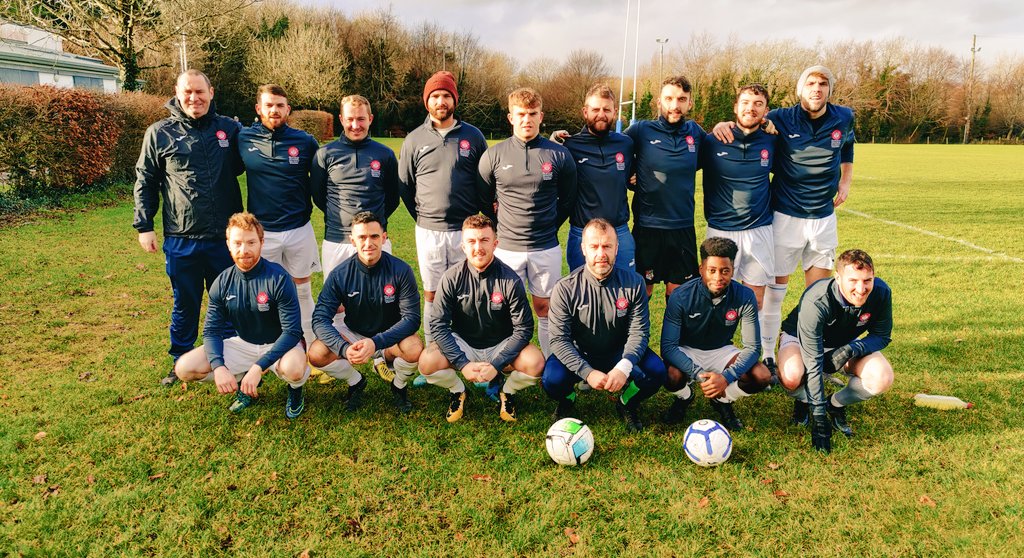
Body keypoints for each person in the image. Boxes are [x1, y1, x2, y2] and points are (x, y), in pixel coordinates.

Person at [713, 66, 856, 377]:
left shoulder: (845, 116)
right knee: (773, 294)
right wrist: (724, 123)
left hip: (823, 218)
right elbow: (747, 120)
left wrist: (845, 181)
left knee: (819, 295)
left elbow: (847, 146)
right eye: (810, 84)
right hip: (785, 217)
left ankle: (813, 356)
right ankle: (767, 354)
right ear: (799, 89)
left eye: (823, 84)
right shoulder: (779, 117)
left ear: (829, 90)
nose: (816, 89)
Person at [134, 69, 243, 386]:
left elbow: (252, 161)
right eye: (187, 92)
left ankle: (232, 360)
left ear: (211, 92)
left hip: (226, 239)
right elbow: (146, 181)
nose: (194, 98)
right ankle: (179, 359)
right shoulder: (159, 133)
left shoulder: (229, 130)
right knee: (185, 303)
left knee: (229, 302)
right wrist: (145, 225)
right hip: (182, 238)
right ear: (177, 94)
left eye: (200, 91)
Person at [173, 213, 308, 418]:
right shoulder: (223, 281)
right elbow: (211, 331)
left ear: (261, 242)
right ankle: (241, 381)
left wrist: (258, 366)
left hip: (280, 345)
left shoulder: (279, 277)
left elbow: (292, 332)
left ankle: (295, 388)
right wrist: (218, 366)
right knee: (184, 367)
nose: (243, 250)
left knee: (294, 369)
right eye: (237, 243)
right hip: (244, 344)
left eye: (251, 242)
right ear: (228, 244)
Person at [542, 218, 666, 432]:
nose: (601, 254)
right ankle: (568, 400)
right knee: (551, 380)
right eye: (594, 246)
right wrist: (587, 372)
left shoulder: (634, 283)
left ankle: (626, 403)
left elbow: (640, 332)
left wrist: (624, 367)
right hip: (582, 353)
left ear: (617, 248)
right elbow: (558, 340)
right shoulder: (565, 288)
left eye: (607, 246)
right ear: (583, 249)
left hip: (619, 353)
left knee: (656, 371)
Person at [479, 87, 577, 357]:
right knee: (502, 308)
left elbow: (568, 200)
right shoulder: (493, 155)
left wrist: (549, 226)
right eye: (521, 114)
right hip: (507, 248)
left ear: (541, 116)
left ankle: (550, 363)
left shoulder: (558, 155)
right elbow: (484, 200)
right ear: (510, 117)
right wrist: (501, 228)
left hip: (545, 246)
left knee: (546, 308)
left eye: (532, 114)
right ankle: (501, 364)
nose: (527, 120)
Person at [418, 215, 545, 422]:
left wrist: (496, 364)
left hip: (501, 344)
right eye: (472, 241)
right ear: (463, 246)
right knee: (426, 362)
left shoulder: (510, 279)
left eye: (484, 240)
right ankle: (458, 391)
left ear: (495, 244)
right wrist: (462, 363)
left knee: (536, 363)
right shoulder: (451, 278)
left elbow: (524, 328)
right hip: (463, 343)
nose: (478, 247)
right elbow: (438, 325)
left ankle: (508, 391)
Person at [399, 71, 489, 346]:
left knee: (467, 290)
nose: (441, 101)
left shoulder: (473, 136)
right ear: (427, 102)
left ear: (454, 100)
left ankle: (468, 346)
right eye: (435, 96)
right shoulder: (414, 139)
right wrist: (426, 216)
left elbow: (484, 180)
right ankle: (433, 348)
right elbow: (405, 186)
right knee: (432, 292)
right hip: (429, 231)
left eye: (446, 96)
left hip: (464, 232)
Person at [777, 249, 893, 453]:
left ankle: (836, 404)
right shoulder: (817, 299)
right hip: (801, 340)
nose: (861, 288)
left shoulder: (881, 292)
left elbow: (882, 335)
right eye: (853, 280)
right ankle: (804, 400)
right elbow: (813, 364)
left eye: (867, 280)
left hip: (844, 341)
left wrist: (852, 348)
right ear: (838, 278)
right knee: (792, 377)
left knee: (882, 378)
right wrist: (819, 420)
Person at [307, 211, 422, 413]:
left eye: (374, 236)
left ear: (384, 238)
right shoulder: (340, 274)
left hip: (389, 336)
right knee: (316, 354)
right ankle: (356, 381)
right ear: (353, 240)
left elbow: (412, 319)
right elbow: (319, 319)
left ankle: (399, 385)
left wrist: (376, 343)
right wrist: (343, 348)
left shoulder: (401, 270)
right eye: (362, 237)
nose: (368, 243)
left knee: (414, 348)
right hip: (354, 333)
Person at [238, 84, 322, 346]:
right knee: (266, 292)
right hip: (263, 233)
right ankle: (274, 349)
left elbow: (321, 182)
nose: (274, 110)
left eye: (279, 105)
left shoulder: (305, 142)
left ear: (288, 109)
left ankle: (309, 344)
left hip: (299, 228)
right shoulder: (243, 139)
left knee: (302, 289)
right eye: (268, 105)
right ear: (258, 108)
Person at [660, 238, 770, 430]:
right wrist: (697, 372)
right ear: (701, 268)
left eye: (725, 271)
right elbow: (668, 347)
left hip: (721, 350)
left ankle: (724, 401)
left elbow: (753, 348)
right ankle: (685, 397)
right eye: (712, 270)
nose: (718, 277)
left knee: (761, 376)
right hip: (688, 350)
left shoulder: (745, 296)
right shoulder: (681, 296)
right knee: (670, 375)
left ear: (732, 270)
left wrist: (726, 377)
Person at [625, 75, 707, 300]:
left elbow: (722, 148)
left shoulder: (696, 133)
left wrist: (725, 124)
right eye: (669, 98)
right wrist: (629, 178)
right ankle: (638, 336)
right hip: (648, 227)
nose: (675, 105)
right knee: (642, 292)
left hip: (682, 227)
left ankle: (674, 337)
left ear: (690, 103)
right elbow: (612, 151)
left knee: (678, 294)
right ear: (659, 102)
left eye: (681, 99)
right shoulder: (641, 130)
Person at [699, 84, 775, 313]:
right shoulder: (713, 140)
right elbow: (679, 168)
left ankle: (755, 348)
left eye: (757, 104)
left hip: (759, 230)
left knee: (756, 301)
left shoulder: (773, 140)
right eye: (745, 102)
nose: (750, 108)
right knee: (713, 296)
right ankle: (713, 347)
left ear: (766, 111)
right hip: (720, 230)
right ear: (735, 106)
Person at [311, 95, 400, 279]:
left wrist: (375, 222)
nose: (355, 125)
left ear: (370, 119)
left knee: (379, 301)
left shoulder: (386, 154)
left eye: (361, 119)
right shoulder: (325, 154)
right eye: (350, 119)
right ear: (341, 119)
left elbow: (393, 197)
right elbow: (318, 196)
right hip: (337, 240)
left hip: (375, 240)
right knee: (337, 305)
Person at [560, 84, 636, 272]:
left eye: (606, 109)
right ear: (585, 112)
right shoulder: (568, 145)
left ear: (615, 112)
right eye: (595, 109)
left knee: (625, 294)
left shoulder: (626, 144)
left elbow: (633, 178)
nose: (601, 114)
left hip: (620, 232)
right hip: (583, 233)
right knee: (583, 295)